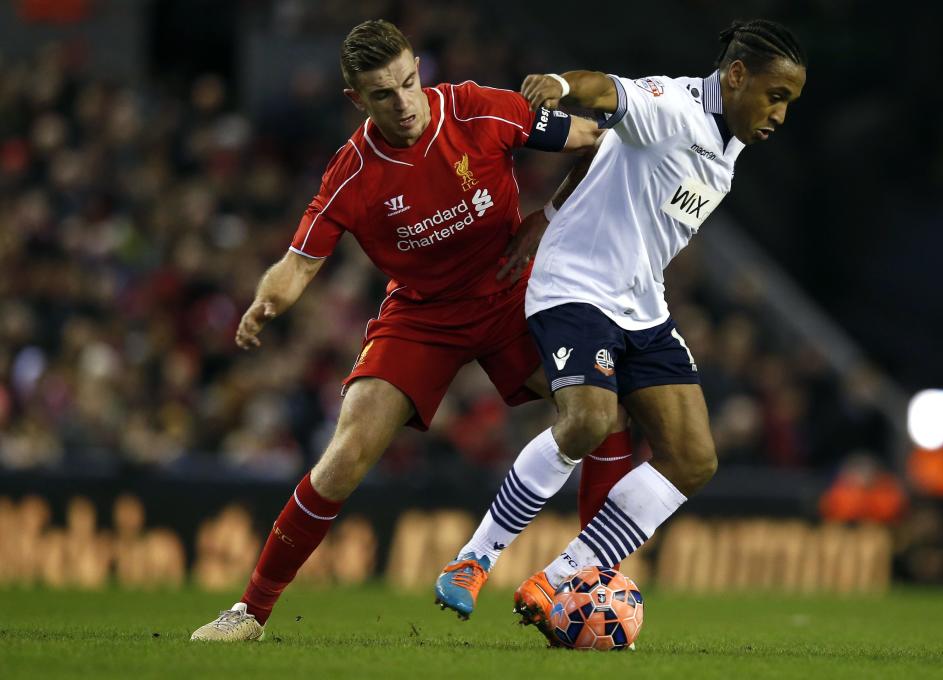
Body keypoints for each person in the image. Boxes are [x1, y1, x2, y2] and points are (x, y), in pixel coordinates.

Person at [190, 18, 619, 641]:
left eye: (409, 83)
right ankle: (249, 612)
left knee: (602, 413)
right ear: (356, 100)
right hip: (422, 318)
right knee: (343, 459)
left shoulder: (479, 110)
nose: (404, 102)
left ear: (420, 69)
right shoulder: (353, 172)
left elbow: (597, 142)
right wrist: (264, 305)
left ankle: (589, 578)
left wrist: (544, 219)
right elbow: (299, 262)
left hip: (512, 298)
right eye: (383, 94)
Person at [435, 19, 807, 641]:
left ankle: (560, 578)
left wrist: (547, 212)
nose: (780, 115)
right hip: (574, 287)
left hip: (642, 305)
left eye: (790, 103)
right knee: (585, 421)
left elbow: (607, 151)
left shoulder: (731, 144)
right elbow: (606, 92)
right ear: (737, 75)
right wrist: (558, 83)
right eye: (776, 95)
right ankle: (474, 559)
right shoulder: (673, 105)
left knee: (693, 459)